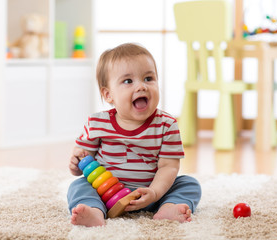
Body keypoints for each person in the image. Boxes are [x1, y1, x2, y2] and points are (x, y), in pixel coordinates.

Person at [67, 43, 201, 227]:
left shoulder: (166, 125)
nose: (141, 86)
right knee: (78, 186)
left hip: (150, 194)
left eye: (148, 78)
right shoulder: (97, 123)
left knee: (189, 184)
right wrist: (76, 165)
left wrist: (154, 192)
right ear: (108, 95)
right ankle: (94, 211)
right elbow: (84, 160)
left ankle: (168, 207)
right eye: (128, 81)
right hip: (106, 195)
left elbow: (168, 167)